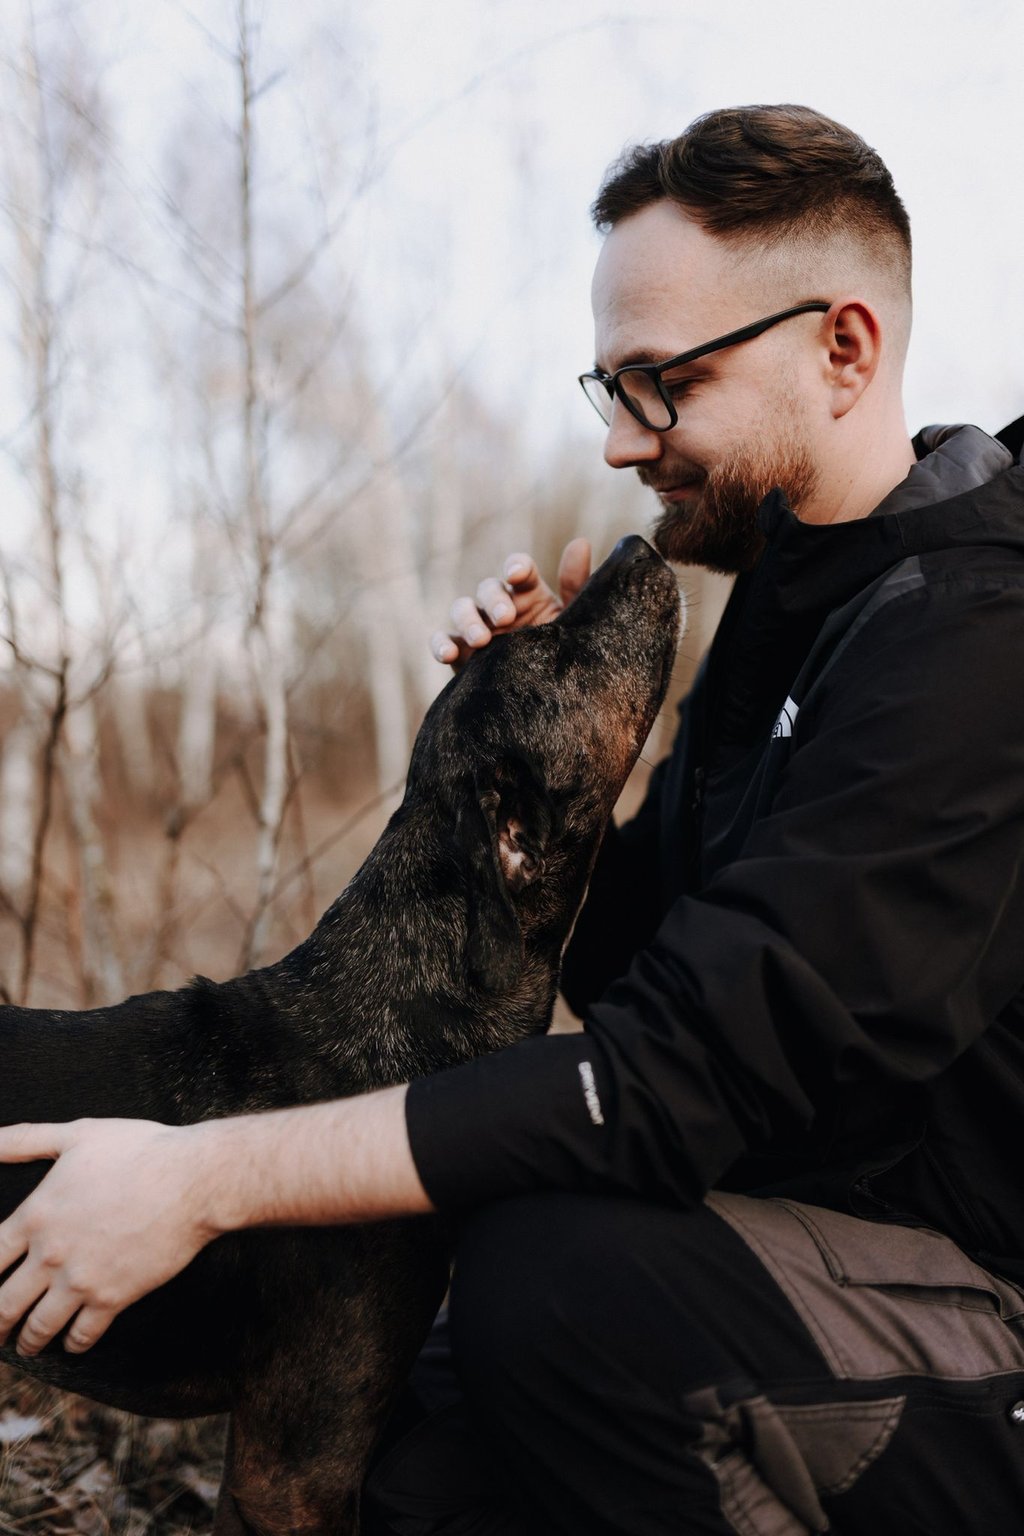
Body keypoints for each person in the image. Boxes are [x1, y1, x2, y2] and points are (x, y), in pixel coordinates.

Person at [1, 103, 1024, 1535]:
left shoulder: (977, 639)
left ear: (843, 348)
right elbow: (636, 964)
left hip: (971, 1306)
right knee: (414, 1457)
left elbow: (668, 1085)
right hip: (780, 1245)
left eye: (661, 384)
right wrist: (517, 764)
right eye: (604, 388)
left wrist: (202, 1178)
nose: (619, 443)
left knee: (551, 1289)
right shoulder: (797, 602)